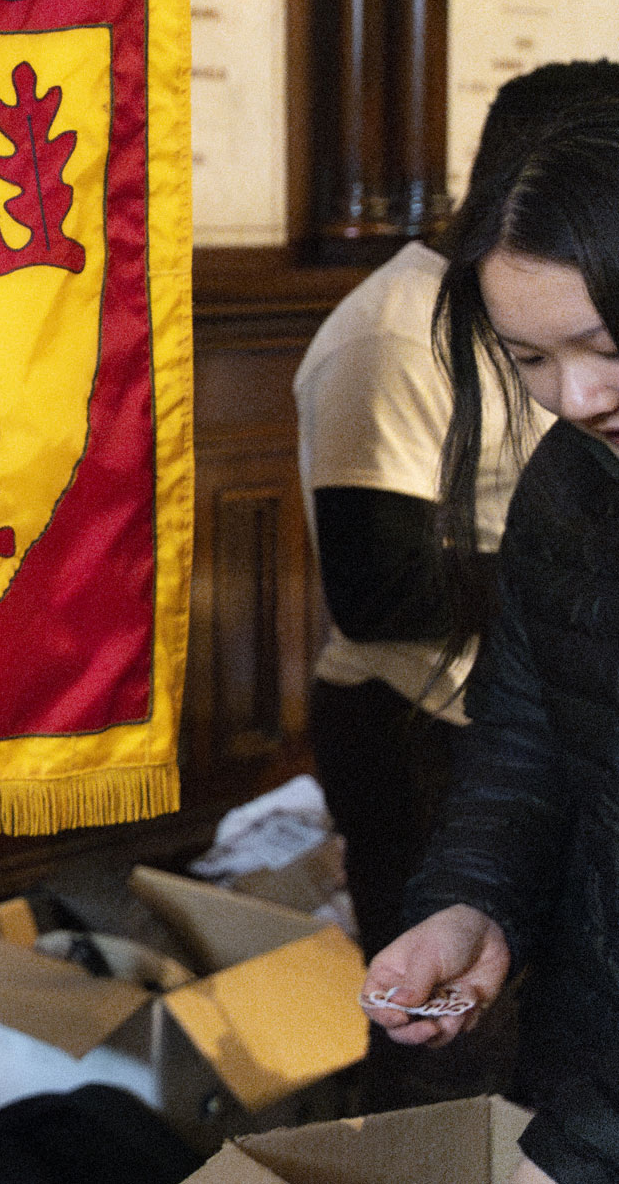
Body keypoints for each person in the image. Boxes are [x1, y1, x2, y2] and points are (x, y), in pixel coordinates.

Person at [300, 63, 615, 1104]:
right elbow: (527, 734)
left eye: (604, 347)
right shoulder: (566, 485)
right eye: (526, 357)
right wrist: (472, 900)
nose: (574, 397)